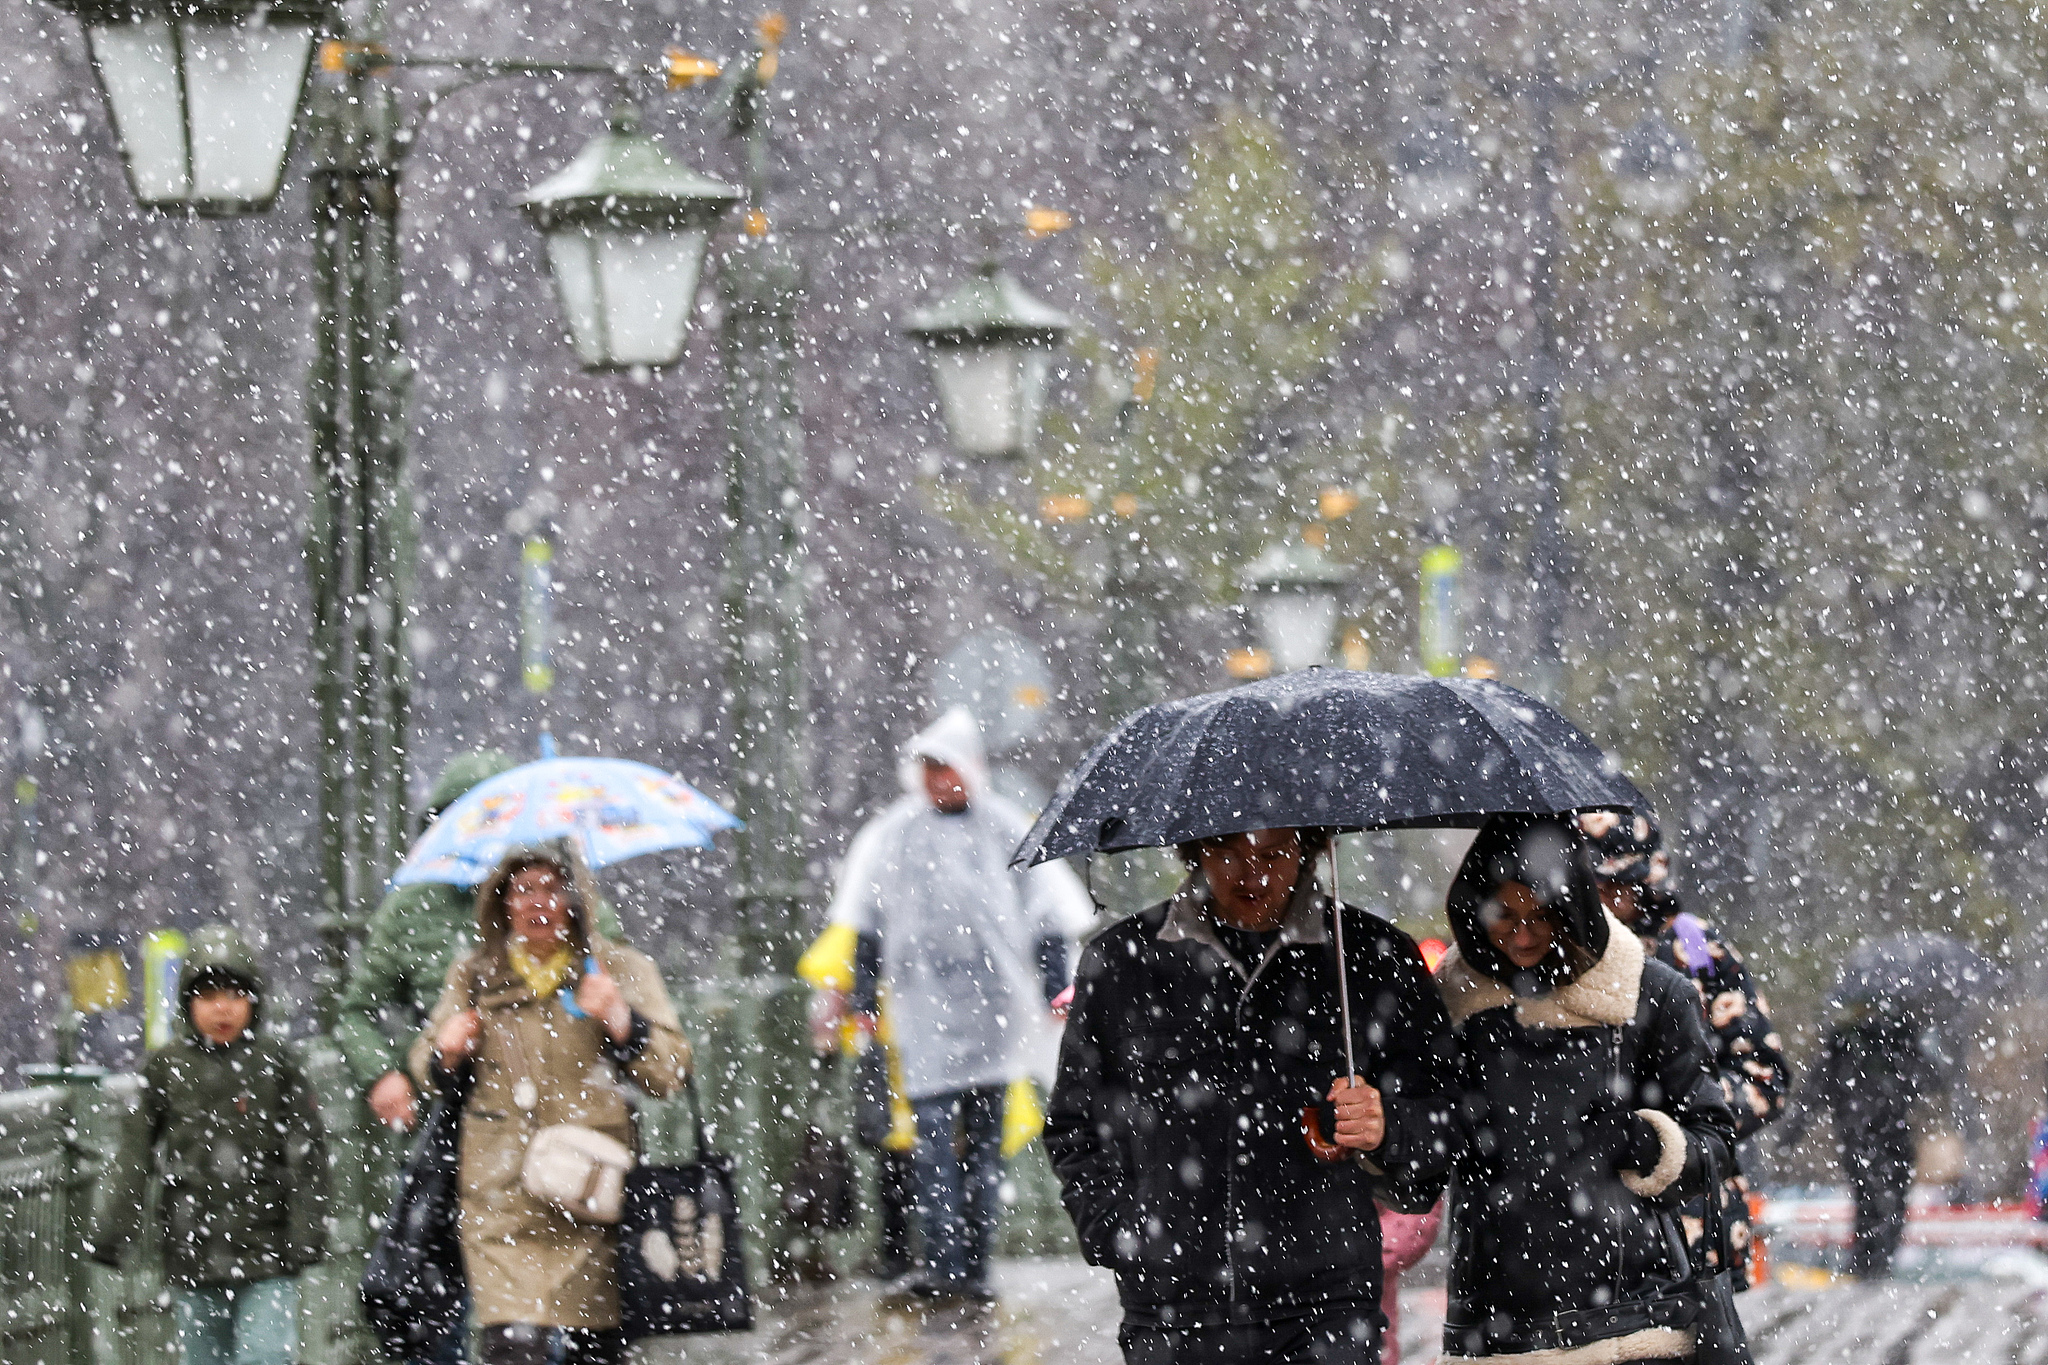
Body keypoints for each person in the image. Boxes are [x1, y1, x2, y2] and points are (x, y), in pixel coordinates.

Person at [1047, 825, 1458, 1365]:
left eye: (1274, 852)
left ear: (1311, 848)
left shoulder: (1371, 958)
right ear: (1194, 850)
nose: (1253, 873)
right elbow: (1074, 1124)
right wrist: (1121, 1233)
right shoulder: (1124, 961)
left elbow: (1446, 1113)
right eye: (1228, 851)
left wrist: (1389, 1129)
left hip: (1326, 1307)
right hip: (1174, 1311)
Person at [1434, 815, 1736, 1364]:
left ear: (1572, 907)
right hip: (1497, 1326)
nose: (1522, 935)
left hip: (1633, 1321)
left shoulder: (1652, 995)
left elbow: (1714, 1142)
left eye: (1542, 914)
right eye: (1504, 914)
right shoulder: (1453, 1006)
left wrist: (1649, 1144)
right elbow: (1423, 1150)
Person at [828, 706, 1095, 1303]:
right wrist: (866, 998)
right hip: (925, 1015)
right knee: (934, 1147)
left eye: (944, 768)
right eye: (927, 769)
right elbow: (868, 924)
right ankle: (948, 1263)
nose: (935, 781)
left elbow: (1046, 916)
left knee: (981, 1147)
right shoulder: (895, 836)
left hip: (995, 1013)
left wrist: (1055, 983)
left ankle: (970, 1264)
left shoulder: (1006, 829)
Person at [409, 843, 691, 1365]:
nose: (538, 903)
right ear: (501, 903)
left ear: (576, 899)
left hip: (591, 1197)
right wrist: (446, 1050)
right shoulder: (473, 976)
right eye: (523, 890)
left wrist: (621, 1021)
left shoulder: (619, 969)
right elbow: (426, 1067)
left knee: (596, 1353)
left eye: (552, 888)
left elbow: (671, 1072)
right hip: (501, 1199)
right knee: (513, 1349)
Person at [91, 925, 328, 1365]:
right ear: (188, 1003)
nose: (223, 1008)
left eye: (235, 995)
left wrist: (306, 1232)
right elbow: (135, 1156)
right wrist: (113, 1234)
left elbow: (308, 1152)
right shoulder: (167, 1068)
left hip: (267, 1251)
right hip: (193, 1252)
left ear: (252, 1001)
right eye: (208, 996)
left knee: (266, 1354)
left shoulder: (277, 1065)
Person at [1578, 811, 1790, 1288]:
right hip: (1583, 1220)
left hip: (1688, 1216)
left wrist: (1677, 1119)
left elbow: (1764, 1075)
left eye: (1619, 886)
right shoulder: (1557, 952)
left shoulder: (1694, 946)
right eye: (1593, 885)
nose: (1607, 902)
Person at [1785, 999, 1940, 1279]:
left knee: (1871, 1196)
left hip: (1859, 1131)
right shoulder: (1893, 1039)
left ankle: (1869, 1262)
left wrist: (1791, 1133)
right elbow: (1928, 1080)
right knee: (1885, 1196)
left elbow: (1815, 1088)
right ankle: (1876, 1261)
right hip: (1886, 1130)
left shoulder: (1848, 1042)